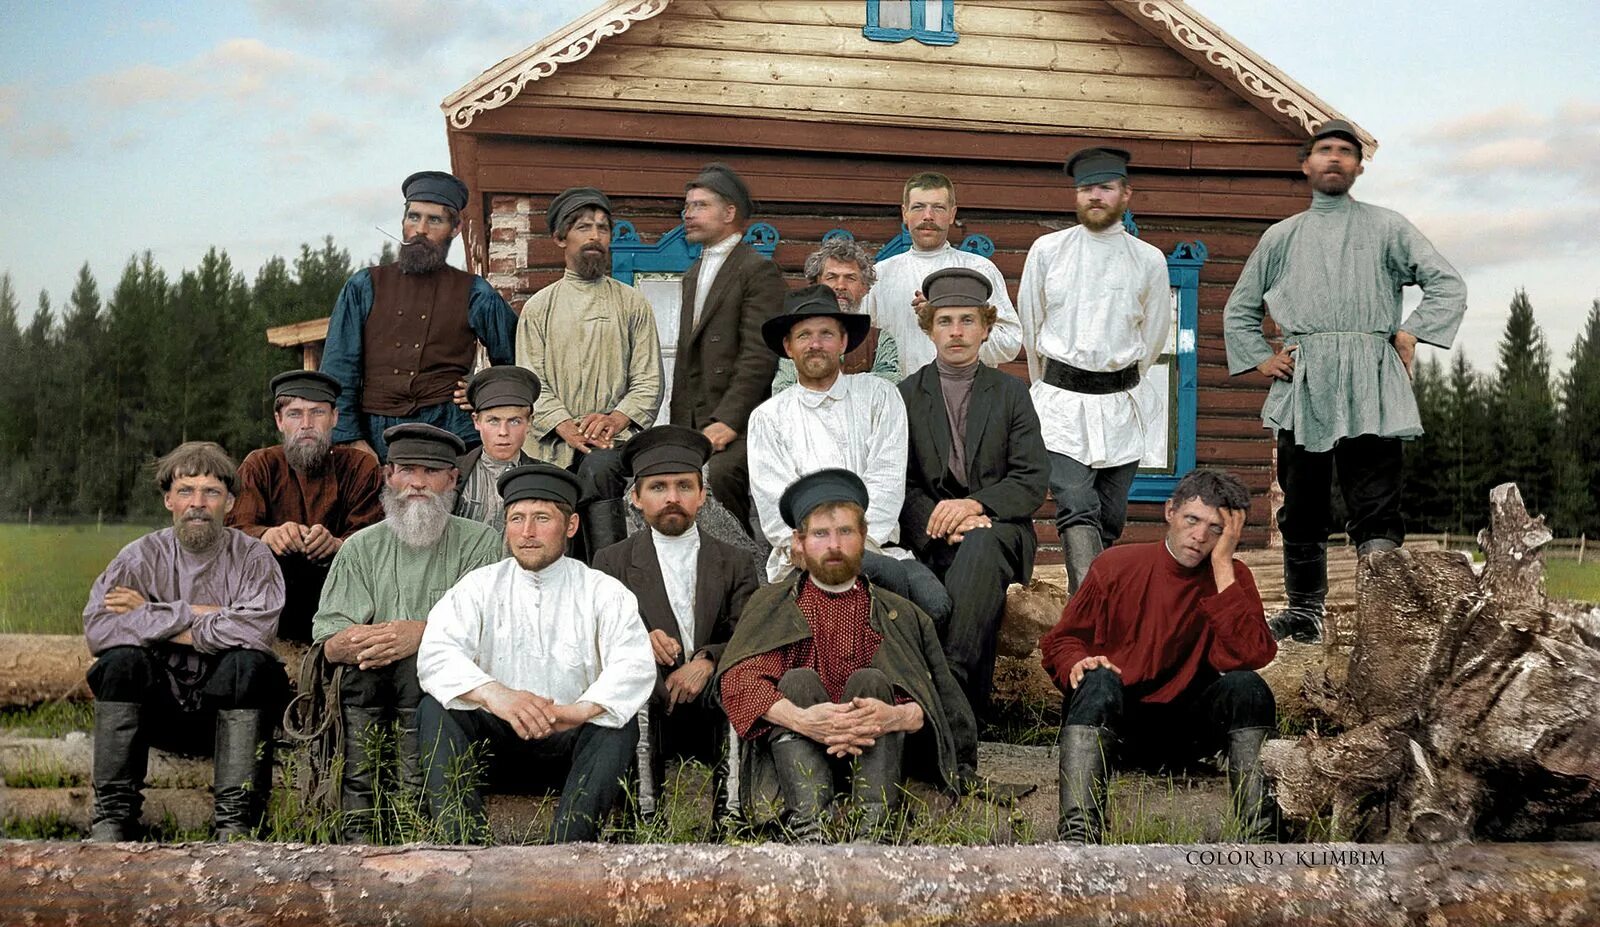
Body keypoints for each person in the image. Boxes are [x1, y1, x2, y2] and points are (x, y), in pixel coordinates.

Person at [1224, 119, 1467, 644]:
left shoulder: (1387, 227)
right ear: (1306, 166)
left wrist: (1411, 332)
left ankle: (1381, 620)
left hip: (1372, 376)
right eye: (1324, 150)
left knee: (1377, 502)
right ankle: (1305, 612)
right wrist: (1263, 360)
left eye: (1345, 152)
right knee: (1304, 499)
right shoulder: (1282, 236)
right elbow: (1240, 309)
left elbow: (1447, 284)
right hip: (1305, 378)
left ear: (1359, 167)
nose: (1334, 158)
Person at [716, 469, 977, 842]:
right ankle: (811, 828)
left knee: (870, 683)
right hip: (795, 766)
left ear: (864, 538)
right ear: (799, 542)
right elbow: (738, 683)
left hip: (880, 759)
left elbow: (936, 703)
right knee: (797, 681)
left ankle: (874, 830)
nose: (834, 545)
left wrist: (892, 716)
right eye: (821, 534)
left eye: (845, 532)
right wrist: (804, 720)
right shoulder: (772, 605)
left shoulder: (902, 614)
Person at [417, 463, 655, 843]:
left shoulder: (603, 592)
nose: (526, 532)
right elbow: (436, 654)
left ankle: (569, 849)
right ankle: (462, 844)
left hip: (570, 748)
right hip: (494, 747)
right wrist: (499, 697)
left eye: (541, 518)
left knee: (617, 723)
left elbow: (634, 665)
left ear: (571, 525)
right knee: (436, 708)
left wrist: (577, 712)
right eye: (517, 519)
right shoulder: (478, 587)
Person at [1038, 469, 1277, 844]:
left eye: (1216, 529)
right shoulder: (1116, 566)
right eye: (1192, 520)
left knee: (1249, 687)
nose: (1200, 536)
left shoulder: (1232, 577)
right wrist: (1076, 663)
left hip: (1189, 729)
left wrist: (1223, 566)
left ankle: (1263, 841)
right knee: (1098, 678)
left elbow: (1250, 654)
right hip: (1117, 725)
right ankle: (1078, 840)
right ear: (1170, 512)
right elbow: (1061, 641)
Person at [83, 441, 285, 840]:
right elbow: (100, 629)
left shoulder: (254, 558)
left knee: (251, 664)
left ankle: (236, 823)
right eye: (186, 491)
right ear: (168, 501)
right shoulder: (138, 557)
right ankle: (113, 819)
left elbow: (256, 631)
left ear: (229, 503)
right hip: (159, 713)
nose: (198, 503)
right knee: (120, 661)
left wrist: (156, 613)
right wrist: (203, 614)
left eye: (211, 492)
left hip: (229, 714)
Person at [311, 423, 503, 842]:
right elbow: (330, 636)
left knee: (419, 665)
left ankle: (410, 820)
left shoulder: (481, 543)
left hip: (449, 693)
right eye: (407, 470)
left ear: (453, 479)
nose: (417, 483)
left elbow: (487, 627)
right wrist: (347, 644)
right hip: (370, 681)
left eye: (431, 471)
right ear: (388, 476)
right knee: (362, 671)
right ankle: (358, 827)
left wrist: (422, 634)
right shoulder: (360, 547)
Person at [747, 285, 953, 627]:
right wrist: (810, 543)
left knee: (935, 605)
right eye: (804, 336)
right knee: (875, 592)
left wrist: (853, 540)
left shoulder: (879, 396)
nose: (815, 344)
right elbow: (774, 501)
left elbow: (886, 482)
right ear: (788, 347)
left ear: (843, 343)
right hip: (804, 555)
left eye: (826, 334)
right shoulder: (768, 417)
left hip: (877, 545)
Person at [1017, 147, 1171, 592]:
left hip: (1123, 403)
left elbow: (1155, 332)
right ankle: (1090, 607)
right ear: (1076, 196)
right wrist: (1050, 385)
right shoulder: (1048, 251)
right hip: (1061, 403)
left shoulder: (1149, 260)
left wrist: (1118, 378)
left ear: (1125, 193)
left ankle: (1097, 599)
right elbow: (1032, 325)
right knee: (1076, 503)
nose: (1095, 197)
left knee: (1109, 513)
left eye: (1105, 187)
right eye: (1086, 189)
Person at [899, 268, 1049, 720]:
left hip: (1000, 532)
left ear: (986, 329)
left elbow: (1030, 479)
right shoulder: (905, 394)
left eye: (968, 320)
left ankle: (949, 680)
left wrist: (975, 506)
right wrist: (942, 522)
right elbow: (899, 483)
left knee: (981, 544)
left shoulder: (1010, 393)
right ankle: (964, 713)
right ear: (929, 327)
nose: (957, 332)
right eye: (945, 321)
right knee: (964, 566)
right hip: (931, 534)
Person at [591, 425, 759, 822]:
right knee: (633, 678)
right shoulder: (611, 562)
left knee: (737, 680)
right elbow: (597, 635)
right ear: (635, 498)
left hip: (713, 705)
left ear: (702, 495)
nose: (672, 498)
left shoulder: (735, 560)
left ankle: (730, 817)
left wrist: (707, 661)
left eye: (684, 486)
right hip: (651, 704)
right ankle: (644, 817)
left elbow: (748, 631)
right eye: (658, 487)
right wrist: (638, 640)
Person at [321, 170, 519, 460]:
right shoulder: (363, 286)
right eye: (413, 217)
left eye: (434, 219)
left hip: (452, 432)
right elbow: (338, 368)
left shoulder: (475, 292)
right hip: (375, 434)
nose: (421, 229)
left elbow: (515, 357)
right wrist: (351, 439)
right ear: (403, 222)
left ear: (456, 228)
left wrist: (483, 390)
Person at [517, 186, 662, 556]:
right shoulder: (539, 308)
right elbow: (531, 382)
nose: (595, 236)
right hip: (552, 444)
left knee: (598, 469)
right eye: (583, 227)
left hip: (613, 442)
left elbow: (648, 380)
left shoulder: (632, 304)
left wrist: (615, 419)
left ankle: (607, 574)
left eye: (602, 228)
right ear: (560, 238)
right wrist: (564, 424)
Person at [670, 162, 785, 533]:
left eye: (700, 205)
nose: (688, 214)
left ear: (730, 212)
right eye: (687, 206)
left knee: (719, 481)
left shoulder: (757, 270)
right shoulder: (692, 274)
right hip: (692, 421)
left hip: (738, 423)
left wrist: (729, 422)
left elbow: (759, 354)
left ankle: (743, 570)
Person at [229, 369, 384, 643]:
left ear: (334, 417)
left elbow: (374, 539)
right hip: (273, 597)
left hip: (341, 595)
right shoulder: (260, 465)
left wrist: (337, 544)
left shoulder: (361, 467)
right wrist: (268, 535)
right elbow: (236, 530)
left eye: (317, 413)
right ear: (279, 420)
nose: (306, 424)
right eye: (295, 413)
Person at [860, 171, 1022, 379]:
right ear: (905, 213)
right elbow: (857, 344)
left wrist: (948, 318)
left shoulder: (980, 270)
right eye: (918, 207)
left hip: (968, 401)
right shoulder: (879, 276)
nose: (928, 216)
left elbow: (1010, 343)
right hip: (900, 403)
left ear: (952, 214)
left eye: (938, 207)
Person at [771, 238, 899, 393]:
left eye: (850, 278)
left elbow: (889, 389)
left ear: (865, 287)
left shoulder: (879, 340)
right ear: (816, 284)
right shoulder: (798, 337)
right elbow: (783, 392)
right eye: (831, 277)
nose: (840, 286)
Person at [453, 365, 540, 534]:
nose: (503, 432)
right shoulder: (453, 474)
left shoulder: (544, 477)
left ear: (529, 422)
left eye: (514, 421)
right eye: (493, 421)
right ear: (476, 421)